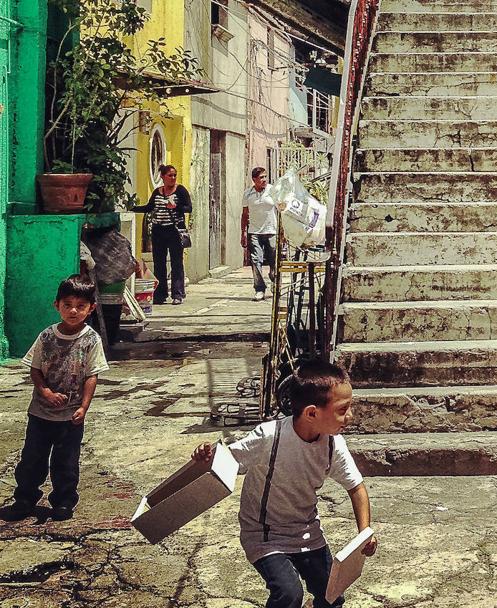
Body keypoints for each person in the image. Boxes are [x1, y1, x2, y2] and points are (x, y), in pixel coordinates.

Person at [192, 360, 377, 608]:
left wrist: (364, 532)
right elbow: (226, 461)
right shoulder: (269, 437)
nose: (350, 416)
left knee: (332, 596)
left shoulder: (334, 444)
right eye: (343, 410)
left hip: (307, 533)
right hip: (264, 535)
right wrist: (206, 457)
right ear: (312, 413)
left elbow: (356, 487)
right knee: (288, 595)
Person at [2, 275, 109, 522]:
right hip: (40, 414)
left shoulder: (91, 340)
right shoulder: (47, 337)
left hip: (71, 417)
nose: (73, 311)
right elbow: (35, 368)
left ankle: (63, 501)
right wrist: (46, 392)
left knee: (66, 463)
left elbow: (92, 375)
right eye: (67, 304)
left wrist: (84, 407)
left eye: (80, 306)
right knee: (32, 459)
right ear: (57, 305)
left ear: (90, 308)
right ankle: (25, 498)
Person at [132, 165, 192, 305]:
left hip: (174, 231)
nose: (173, 178)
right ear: (163, 177)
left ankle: (177, 294)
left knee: (176, 263)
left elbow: (188, 207)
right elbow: (149, 207)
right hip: (158, 231)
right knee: (159, 263)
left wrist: (176, 207)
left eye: (174, 175)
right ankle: (160, 294)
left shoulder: (180, 191)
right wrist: (132, 208)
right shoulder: (157, 192)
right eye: (170, 175)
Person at [242, 167, 279, 301]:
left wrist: (283, 232)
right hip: (254, 231)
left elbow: (281, 209)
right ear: (254, 180)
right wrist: (243, 233)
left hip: (271, 231)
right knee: (256, 260)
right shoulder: (248, 194)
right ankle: (259, 289)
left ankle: (275, 281)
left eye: (265, 177)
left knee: (274, 260)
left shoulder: (272, 191)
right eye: (261, 177)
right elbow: (245, 214)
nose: (264, 180)